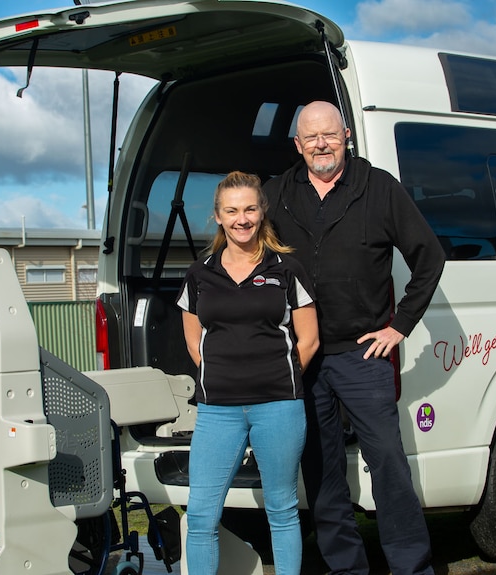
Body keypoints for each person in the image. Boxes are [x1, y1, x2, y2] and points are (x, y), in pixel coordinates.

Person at [264, 101, 446, 575]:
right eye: (311, 138)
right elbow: (241, 248)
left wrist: (400, 325)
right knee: (320, 471)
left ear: (346, 135)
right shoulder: (277, 194)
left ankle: (412, 567)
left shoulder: (379, 188)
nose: (321, 145)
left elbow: (430, 258)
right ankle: (347, 568)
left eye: (329, 135)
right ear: (298, 145)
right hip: (302, 356)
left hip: (362, 354)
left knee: (387, 463)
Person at [176, 171, 320, 575]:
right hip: (217, 411)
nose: (242, 219)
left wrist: (278, 377)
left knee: (282, 509)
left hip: (279, 408)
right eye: (232, 211)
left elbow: (308, 340)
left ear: (262, 212)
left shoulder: (287, 269)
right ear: (218, 217)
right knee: (202, 515)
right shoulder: (198, 274)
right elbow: (194, 341)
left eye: (250, 209)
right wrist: (225, 376)